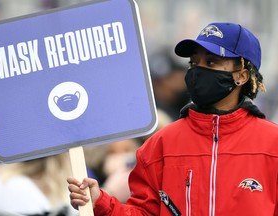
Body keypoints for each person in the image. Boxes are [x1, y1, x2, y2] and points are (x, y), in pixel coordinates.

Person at [67, 22, 278, 215]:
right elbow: (143, 212)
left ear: (241, 76)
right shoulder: (161, 143)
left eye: (211, 62)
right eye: (194, 63)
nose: (198, 71)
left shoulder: (272, 143)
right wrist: (101, 202)